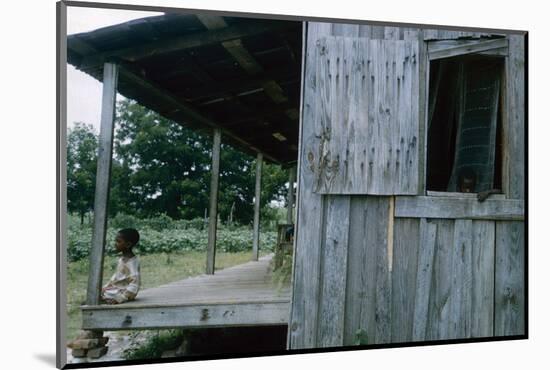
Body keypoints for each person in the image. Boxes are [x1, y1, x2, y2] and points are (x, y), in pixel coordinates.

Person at [101, 228, 141, 304]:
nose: (115, 243)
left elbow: (135, 284)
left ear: (128, 244)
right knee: (96, 292)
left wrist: (120, 298)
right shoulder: (122, 259)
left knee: (99, 296)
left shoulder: (131, 262)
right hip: (117, 288)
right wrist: (106, 286)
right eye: (115, 241)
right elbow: (116, 277)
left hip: (124, 292)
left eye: (118, 241)